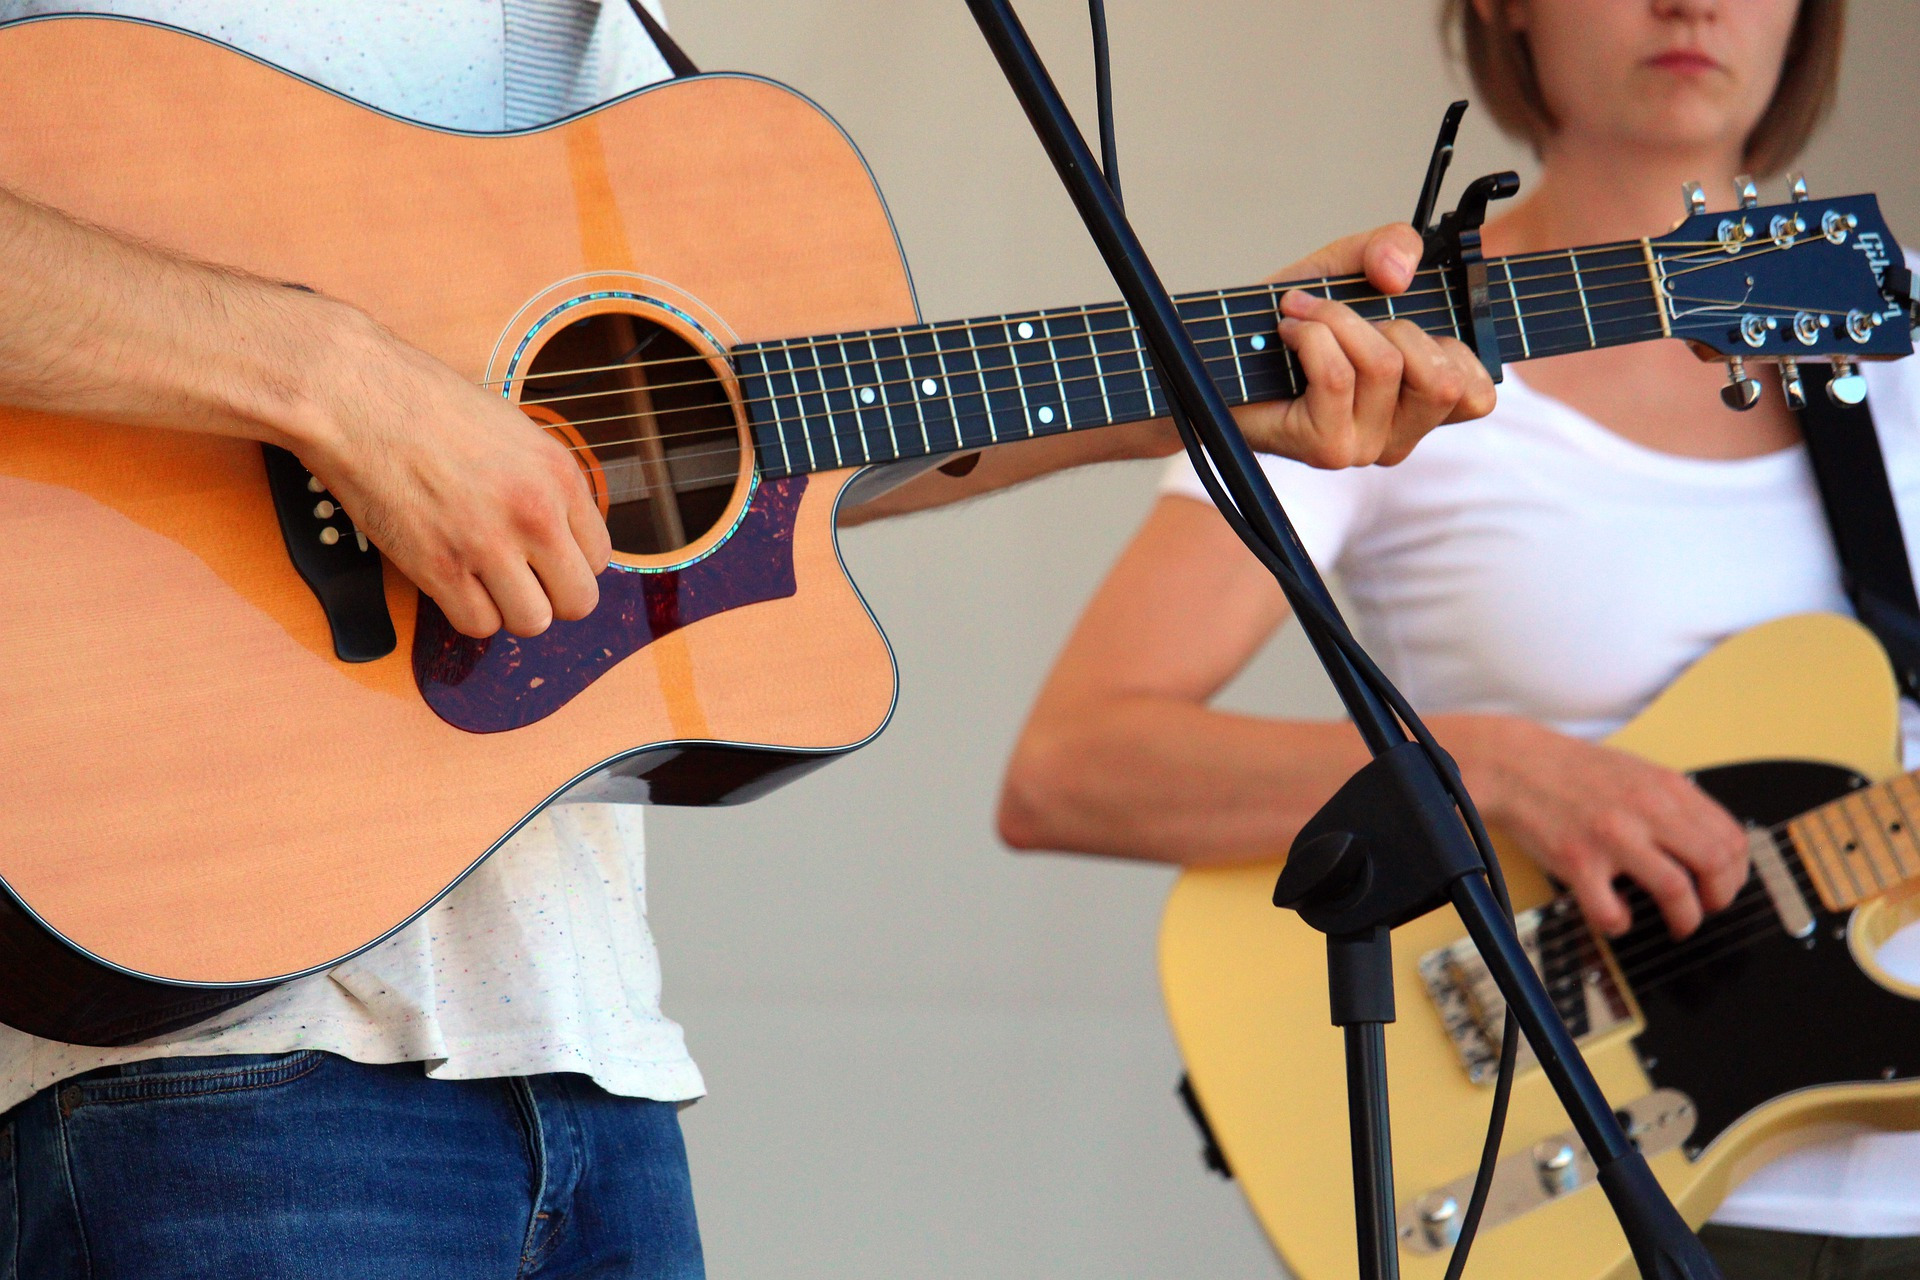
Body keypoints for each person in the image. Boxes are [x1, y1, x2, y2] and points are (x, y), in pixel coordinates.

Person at [0, 4, 1494, 1276]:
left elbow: (728, 444)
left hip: (587, 1058)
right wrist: (332, 380)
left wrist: (1183, 387)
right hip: (194, 1071)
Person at [1000, 1, 1920, 1276]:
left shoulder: (1895, 336)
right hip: (1589, 1193)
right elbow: (1072, 765)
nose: (1692, 1)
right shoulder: (1391, 355)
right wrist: (1481, 770)